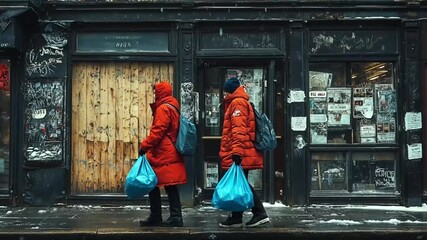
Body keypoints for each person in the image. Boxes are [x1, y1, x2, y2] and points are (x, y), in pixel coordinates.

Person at [218, 77, 270, 228]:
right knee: (239, 183)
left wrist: (237, 153)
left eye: (225, 92)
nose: (224, 95)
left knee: (242, 184)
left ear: (229, 91)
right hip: (241, 150)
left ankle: (259, 213)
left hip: (241, 151)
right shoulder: (238, 101)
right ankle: (236, 216)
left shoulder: (237, 103)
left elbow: (239, 130)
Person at [139, 81, 187, 227]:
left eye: (155, 92)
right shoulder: (172, 106)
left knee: (154, 183)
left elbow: (158, 131)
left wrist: (144, 146)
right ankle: (173, 216)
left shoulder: (163, 108)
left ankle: (160, 216)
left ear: (160, 93)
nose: (154, 95)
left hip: (163, 152)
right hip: (167, 151)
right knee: (167, 185)